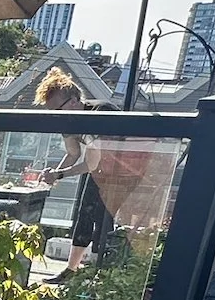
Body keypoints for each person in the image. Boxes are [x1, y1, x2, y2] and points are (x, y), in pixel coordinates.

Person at [34, 68, 146, 276]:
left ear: (74, 101)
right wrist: (54, 174)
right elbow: (73, 152)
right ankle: (71, 269)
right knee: (85, 213)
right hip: (104, 169)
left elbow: (91, 164)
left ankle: (104, 271)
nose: (55, 117)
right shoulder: (69, 122)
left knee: (104, 219)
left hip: (128, 171)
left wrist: (60, 175)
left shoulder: (100, 113)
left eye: (57, 110)